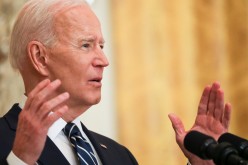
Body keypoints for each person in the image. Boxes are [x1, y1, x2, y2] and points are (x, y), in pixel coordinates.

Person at [0, 0, 231, 164]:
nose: (104, 60)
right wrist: (21, 161)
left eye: (101, 46)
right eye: (86, 45)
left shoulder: (120, 155)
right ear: (40, 58)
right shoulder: (7, 143)